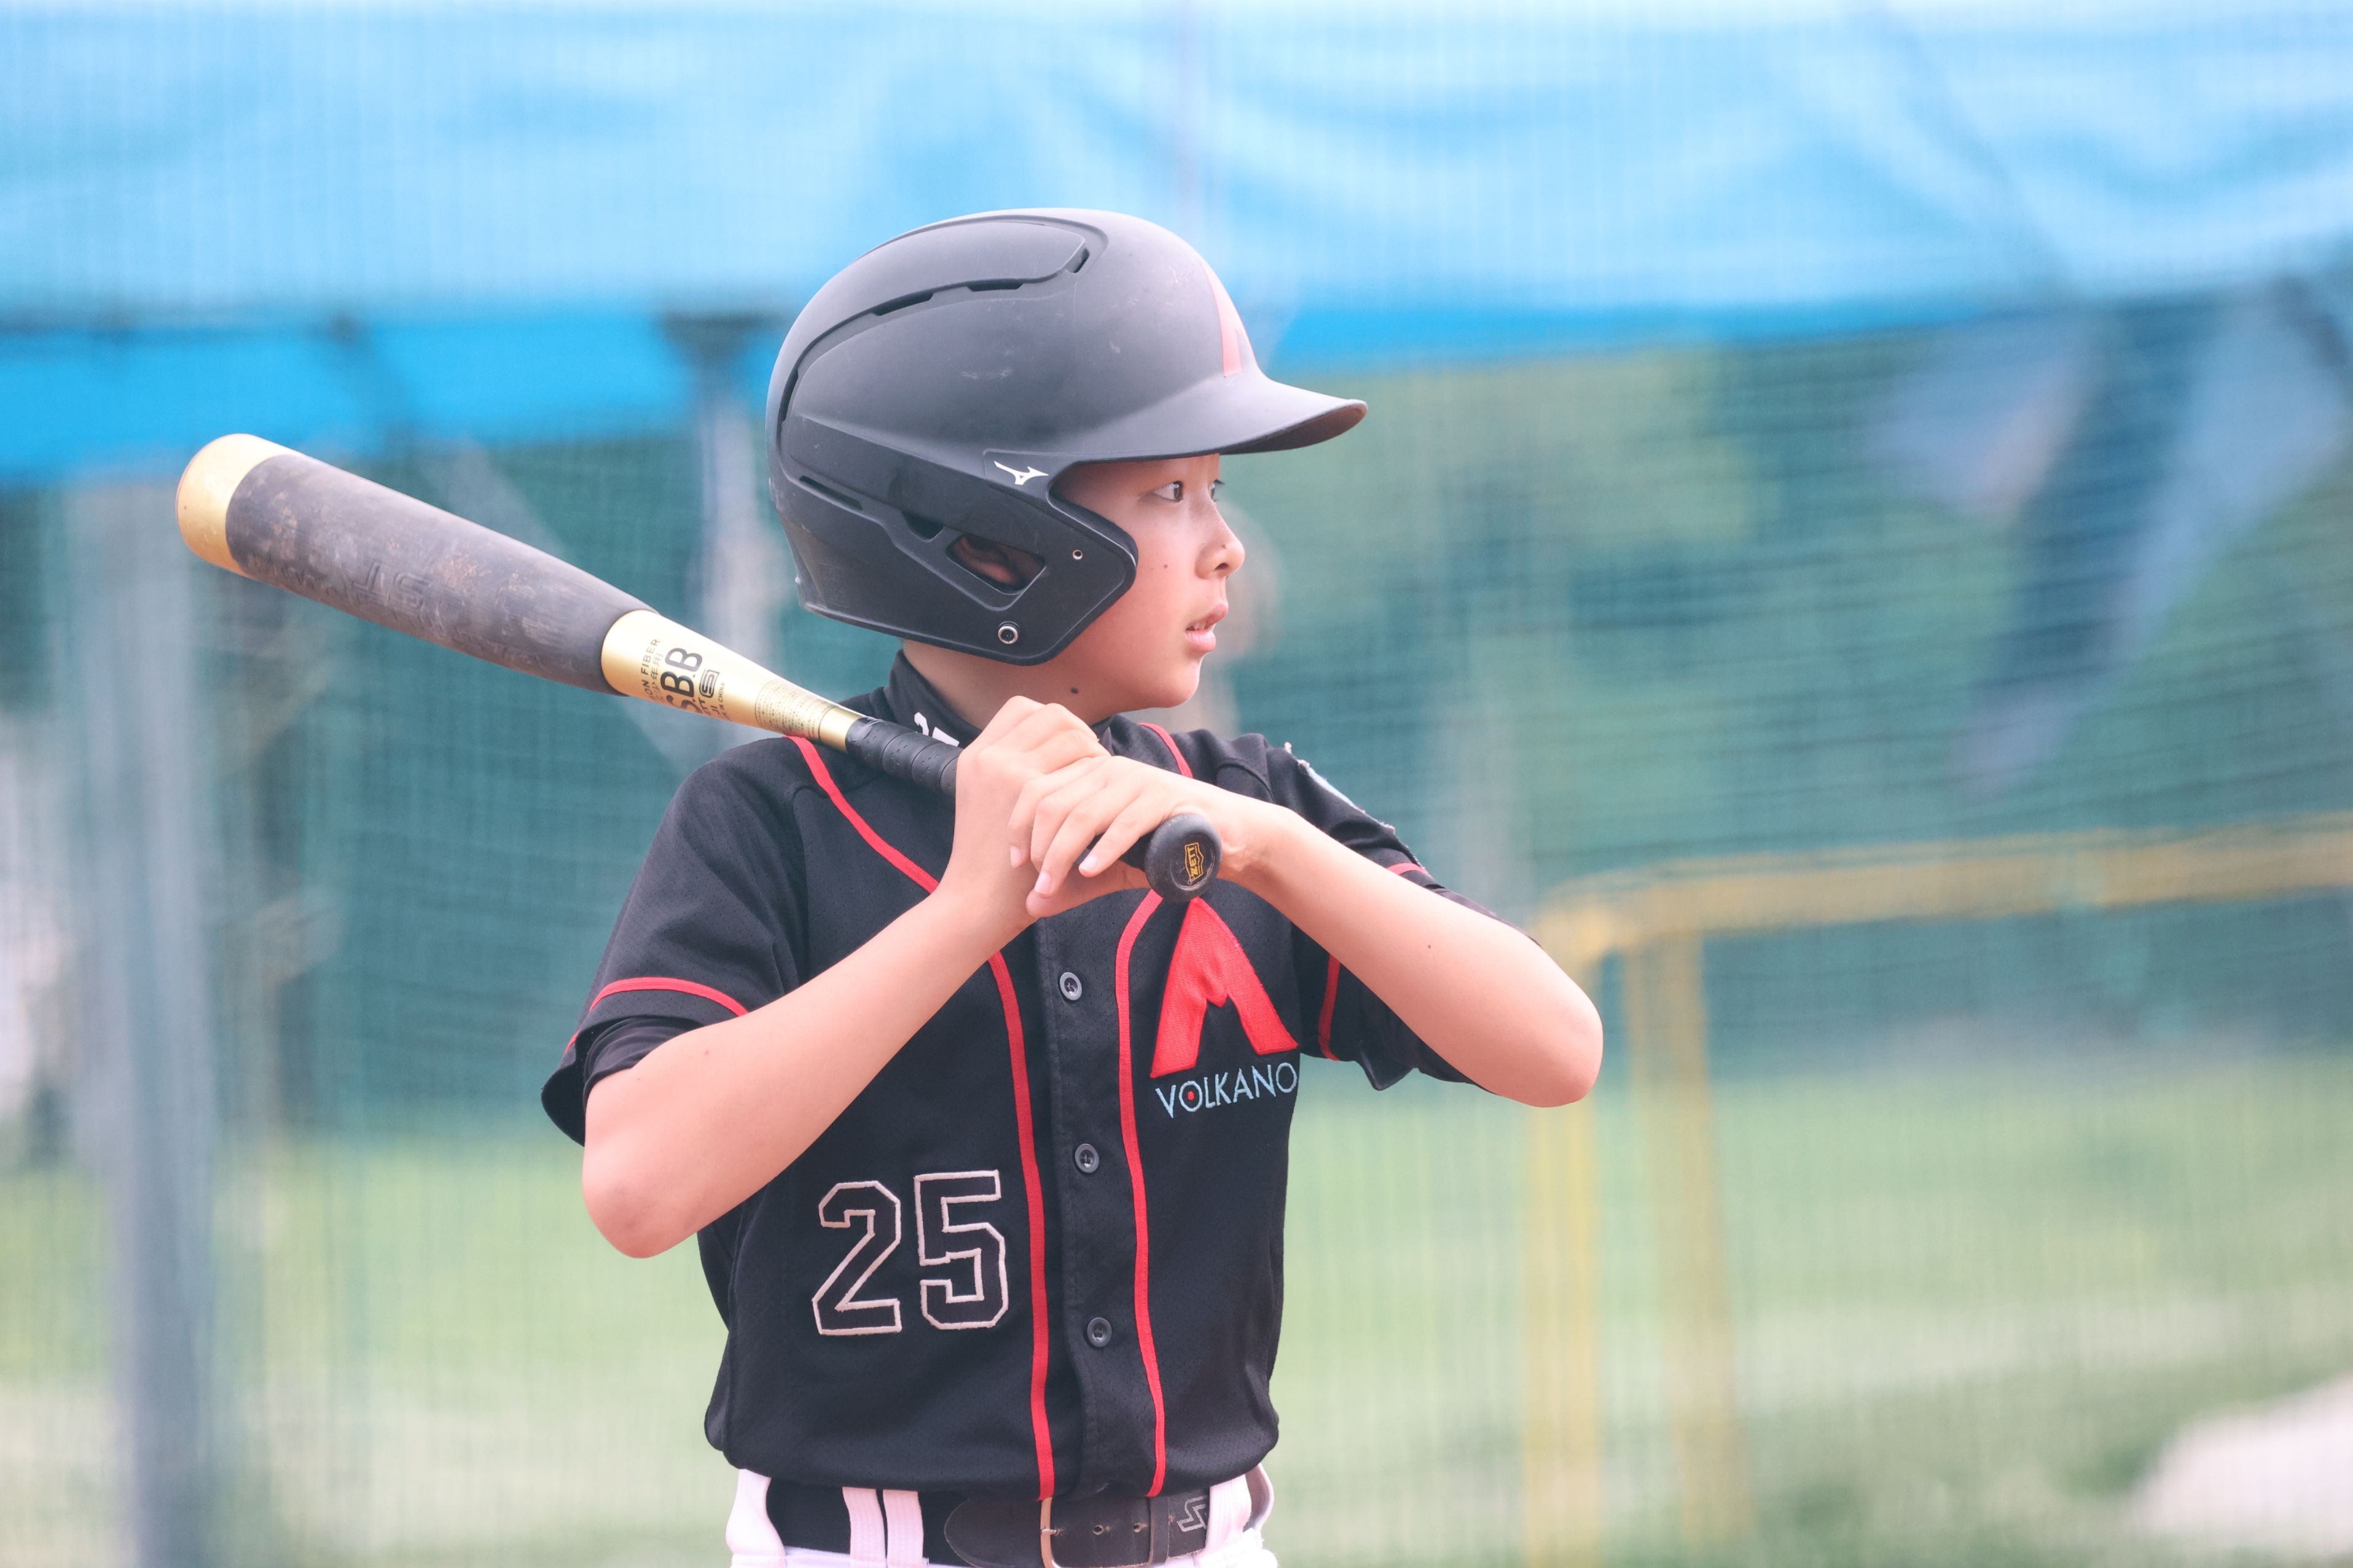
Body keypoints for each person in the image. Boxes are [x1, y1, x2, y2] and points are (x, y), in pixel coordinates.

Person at [541, 209, 1602, 1568]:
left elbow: (1554, 1049)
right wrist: (965, 913)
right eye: (1169, 493)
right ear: (989, 536)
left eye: (1213, 489)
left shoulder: (1242, 812)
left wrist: (1271, 847)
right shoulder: (767, 822)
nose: (1223, 545)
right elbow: (638, 1184)